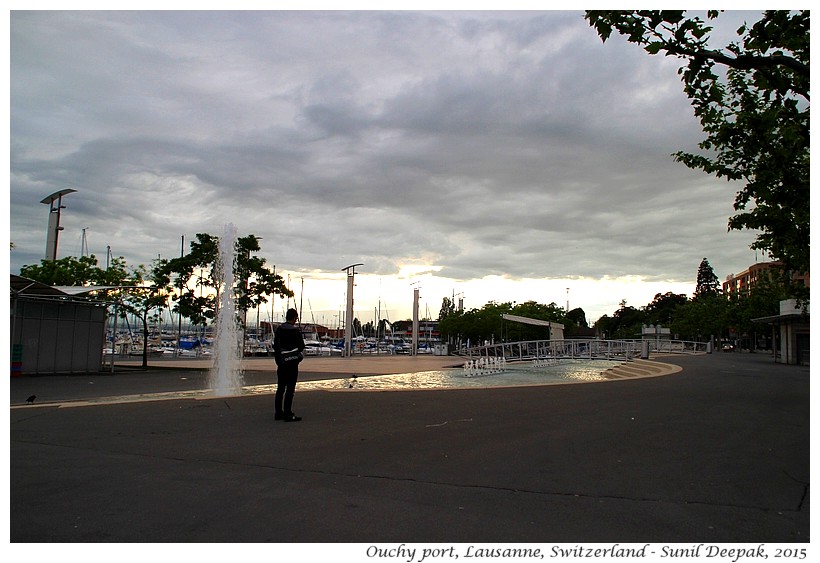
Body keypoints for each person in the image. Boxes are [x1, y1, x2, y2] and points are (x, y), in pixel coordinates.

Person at [273, 308, 306, 422]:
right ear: (294, 318)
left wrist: (279, 360)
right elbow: (301, 346)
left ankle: (278, 412)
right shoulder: (295, 331)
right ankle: (288, 413)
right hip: (292, 363)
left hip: (281, 362)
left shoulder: (279, 330)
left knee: (280, 388)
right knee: (290, 389)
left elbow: (276, 346)